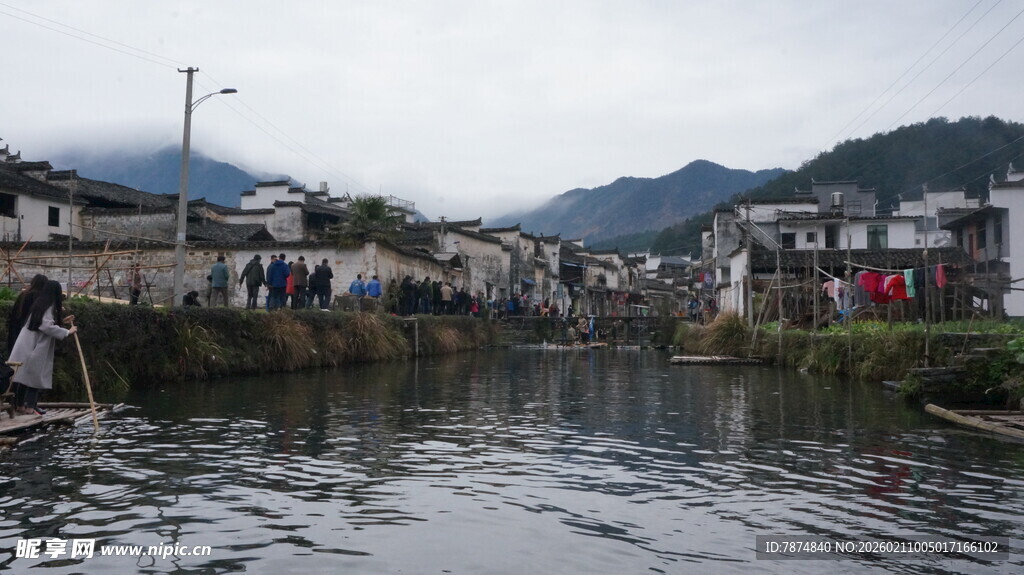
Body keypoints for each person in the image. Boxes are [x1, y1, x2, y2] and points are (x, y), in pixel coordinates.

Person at [8, 280, 77, 415]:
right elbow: (46, 326)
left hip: (26, 344)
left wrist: (62, 322)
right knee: (35, 377)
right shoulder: (48, 307)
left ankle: (20, 406)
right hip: (35, 346)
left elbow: (43, 323)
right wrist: (67, 332)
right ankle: (30, 408)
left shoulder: (39, 304)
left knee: (23, 376)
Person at [5, 274, 48, 411]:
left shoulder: (23, 296)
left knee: (17, 372)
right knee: (31, 372)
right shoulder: (37, 298)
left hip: (16, 337)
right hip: (30, 339)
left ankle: (17, 404)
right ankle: (29, 405)